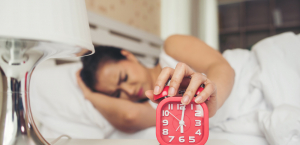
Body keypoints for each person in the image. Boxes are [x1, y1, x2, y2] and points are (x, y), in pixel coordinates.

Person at [76, 34, 235, 133]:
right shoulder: (153, 106)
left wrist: (212, 98)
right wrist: (89, 95)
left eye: (123, 78)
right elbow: (130, 116)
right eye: (117, 94)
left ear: (128, 56)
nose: (129, 91)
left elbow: (221, 67)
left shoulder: (172, 47)